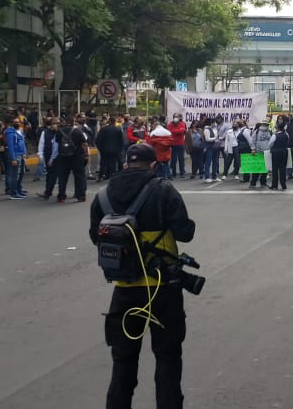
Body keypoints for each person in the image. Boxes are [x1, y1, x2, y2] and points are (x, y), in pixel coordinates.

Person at [89, 143, 196, 409]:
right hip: (162, 288)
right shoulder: (163, 190)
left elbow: (96, 237)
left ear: (126, 164)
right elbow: (185, 233)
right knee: (168, 358)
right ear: (153, 165)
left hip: (124, 290)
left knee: (123, 361)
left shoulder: (103, 195)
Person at [54, 115, 89, 203]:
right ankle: (80, 196)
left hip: (63, 157)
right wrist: (86, 155)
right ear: (73, 122)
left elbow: (57, 142)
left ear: (65, 122)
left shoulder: (59, 131)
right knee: (79, 176)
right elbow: (84, 144)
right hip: (77, 157)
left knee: (62, 177)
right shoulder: (78, 131)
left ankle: (61, 197)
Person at [4, 118, 27, 199]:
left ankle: (18, 189)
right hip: (15, 155)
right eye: (15, 122)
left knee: (21, 173)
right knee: (15, 174)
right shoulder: (10, 133)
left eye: (18, 122)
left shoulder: (20, 131)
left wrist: (25, 153)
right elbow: (10, 146)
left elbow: (23, 143)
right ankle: (13, 192)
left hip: (21, 155)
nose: (17, 123)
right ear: (12, 123)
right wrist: (13, 158)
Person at [97, 117, 125, 181]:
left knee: (103, 163)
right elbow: (121, 140)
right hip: (115, 149)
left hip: (105, 149)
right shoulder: (118, 130)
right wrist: (120, 149)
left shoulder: (104, 129)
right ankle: (112, 176)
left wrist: (100, 148)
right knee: (113, 163)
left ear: (109, 121)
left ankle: (101, 176)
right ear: (115, 122)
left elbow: (98, 140)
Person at [248, 122, 272, 189]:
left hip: (267, 152)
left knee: (265, 169)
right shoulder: (257, 131)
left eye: (267, 124)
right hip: (258, 152)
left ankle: (263, 183)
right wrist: (253, 149)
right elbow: (252, 141)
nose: (266, 125)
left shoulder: (269, 132)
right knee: (257, 168)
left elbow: (271, 141)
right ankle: (253, 183)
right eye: (264, 124)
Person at [268, 122, 289, 191]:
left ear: (277, 128)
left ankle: (274, 185)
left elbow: (270, 144)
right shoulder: (286, 134)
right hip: (284, 152)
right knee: (283, 169)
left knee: (275, 169)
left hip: (275, 152)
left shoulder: (275, 135)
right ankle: (283, 184)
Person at [167, 114, 186, 179]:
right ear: (173, 118)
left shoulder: (182, 124)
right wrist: (178, 131)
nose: (176, 118)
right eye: (175, 117)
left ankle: (182, 173)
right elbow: (170, 132)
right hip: (173, 144)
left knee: (181, 159)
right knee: (173, 159)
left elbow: (182, 131)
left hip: (181, 143)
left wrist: (174, 131)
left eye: (177, 117)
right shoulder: (169, 124)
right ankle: (174, 173)